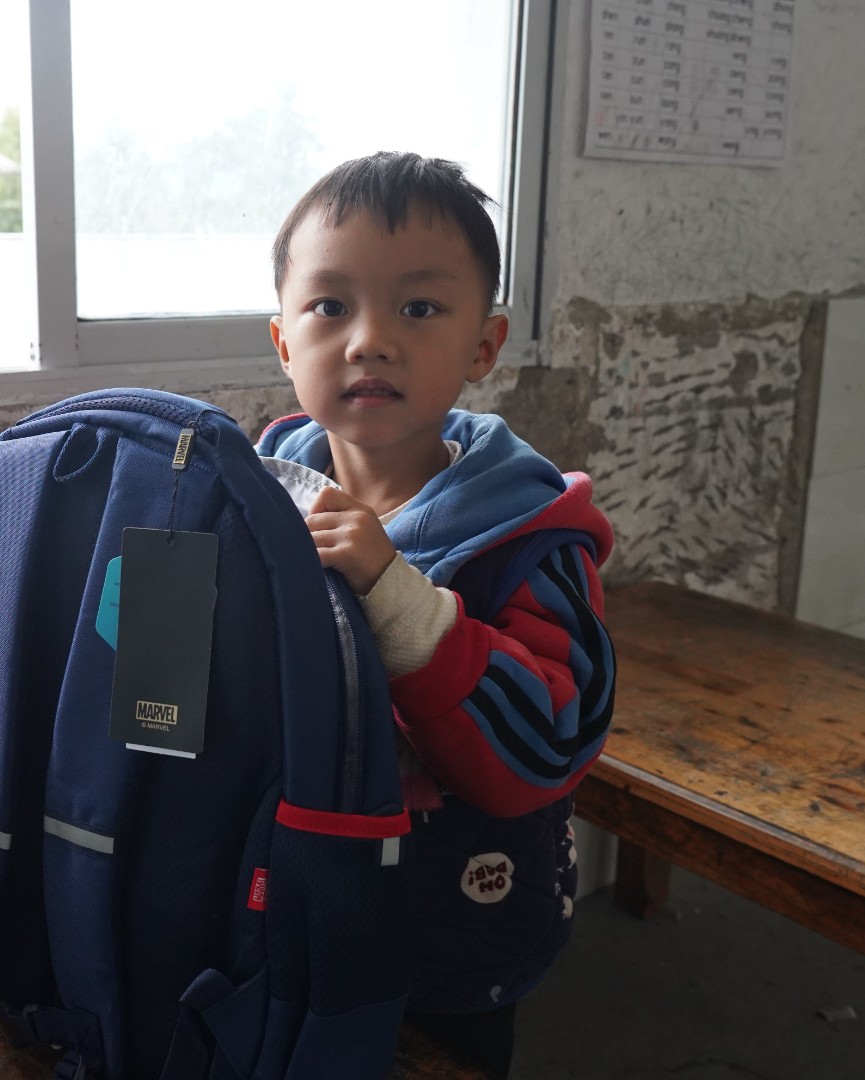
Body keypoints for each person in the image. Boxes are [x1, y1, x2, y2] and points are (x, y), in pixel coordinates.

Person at [255, 151, 616, 1079]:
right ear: (284, 343)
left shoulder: (525, 533)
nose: (368, 340)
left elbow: (546, 747)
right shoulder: (256, 496)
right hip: (291, 904)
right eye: (329, 305)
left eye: (417, 308)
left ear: (483, 347)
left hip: (452, 923)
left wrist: (394, 591)